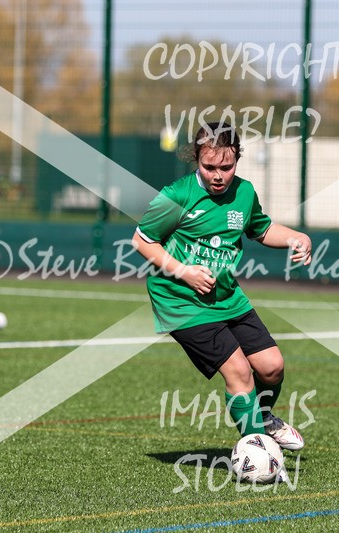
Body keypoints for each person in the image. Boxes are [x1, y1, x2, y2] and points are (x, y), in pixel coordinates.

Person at [132, 122, 311, 451]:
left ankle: (263, 418)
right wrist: (184, 272)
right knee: (239, 371)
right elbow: (142, 240)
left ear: (237, 159)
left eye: (226, 167)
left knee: (272, 367)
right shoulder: (177, 195)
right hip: (181, 301)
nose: (218, 176)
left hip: (226, 297)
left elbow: (261, 229)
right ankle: (258, 451)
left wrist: (296, 238)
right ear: (196, 159)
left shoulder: (244, 193)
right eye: (209, 166)